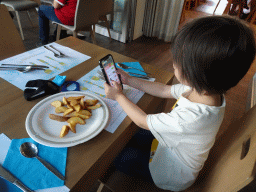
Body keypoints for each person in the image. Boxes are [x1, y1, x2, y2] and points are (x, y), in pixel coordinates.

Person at [104, 15, 256, 191]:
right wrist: (130, 80)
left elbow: (142, 120)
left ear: (197, 74)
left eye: (178, 61)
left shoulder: (190, 118)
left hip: (171, 173)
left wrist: (118, 96)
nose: (174, 64)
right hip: (171, 147)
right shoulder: (206, 92)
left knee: (119, 158)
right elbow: (163, 90)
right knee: (131, 136)